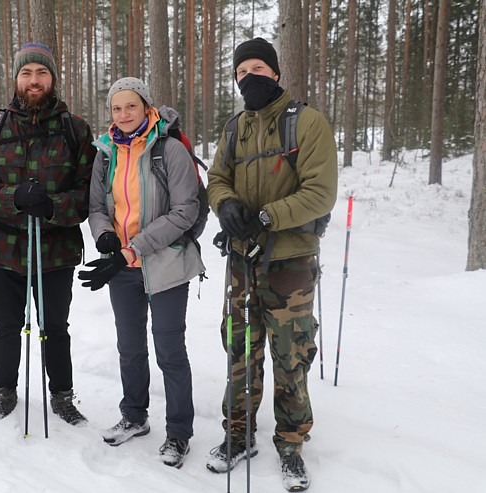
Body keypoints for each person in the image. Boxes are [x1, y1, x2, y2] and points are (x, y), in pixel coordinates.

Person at [205, 37, 338, 491]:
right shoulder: (233, 127)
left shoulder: (307, 123)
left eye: (258, 68)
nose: (249, 78)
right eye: (242, 72)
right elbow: (217, 177)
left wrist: (265, 217)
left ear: (276, 73)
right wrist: (225, 207)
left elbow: (320, 192)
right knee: (240, 348)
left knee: (291, 353)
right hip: (242, 261)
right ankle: (237, 434)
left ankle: (291, 442)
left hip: (290, 263)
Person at [0, 43, 95, 426]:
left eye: (40, 73)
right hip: (4, 248)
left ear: (52, 79)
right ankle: (4, 393)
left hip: (55, 249)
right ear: (16, 80)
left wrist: (53, 206)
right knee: (6, 325)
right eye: (26, 74)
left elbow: (89, 193)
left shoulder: (75, 129)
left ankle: (62, 396)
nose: (33, 81)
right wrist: (13, 198)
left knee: (55, 327)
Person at [79, 77, 204, 469]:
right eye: (116, 108)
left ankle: (179, 433)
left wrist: (133, 247)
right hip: (123, 270)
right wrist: (105, 239)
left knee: (170, 352)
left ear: (147, 107)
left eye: (130, 106)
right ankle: (134, 416)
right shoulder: (105, 152)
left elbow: (187, 210)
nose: (123, 115)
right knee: (130, 349)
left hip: (166, 264)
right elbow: (97, 205)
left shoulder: (169, 150)